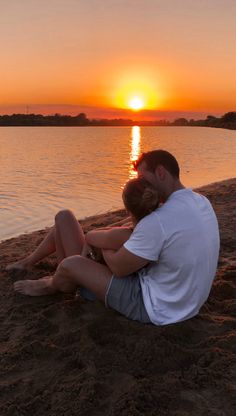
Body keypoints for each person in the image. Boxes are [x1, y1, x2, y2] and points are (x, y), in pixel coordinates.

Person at [8, 149, 220, 326]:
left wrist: (102, 244)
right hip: (184, 300)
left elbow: (119, 268)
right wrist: (108, 236)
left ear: (161, 172)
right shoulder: (199, 201)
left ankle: (52, 285)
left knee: (71, 264)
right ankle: (27, 262)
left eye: (143, 179)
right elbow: (136, 231)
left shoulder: (159, 221)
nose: (141, 186)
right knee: (64, 218)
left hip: (153, 305)